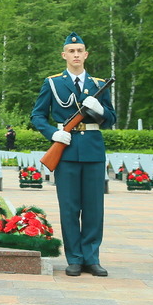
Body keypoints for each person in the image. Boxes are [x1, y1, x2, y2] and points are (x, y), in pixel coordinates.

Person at [31, 31, 115, 278]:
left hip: (92, 150)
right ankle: (75, 258)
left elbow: (111, 118)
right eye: (72, 51)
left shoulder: (99, 85)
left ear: (86, 55)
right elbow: (37, 115)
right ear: (64, 55)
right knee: (69, 207)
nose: (76, 55)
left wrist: (100, 110)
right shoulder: (53, 83)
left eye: (80, 51)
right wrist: (52, 134)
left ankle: (92, 257)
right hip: (65, 151)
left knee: (93, 208)